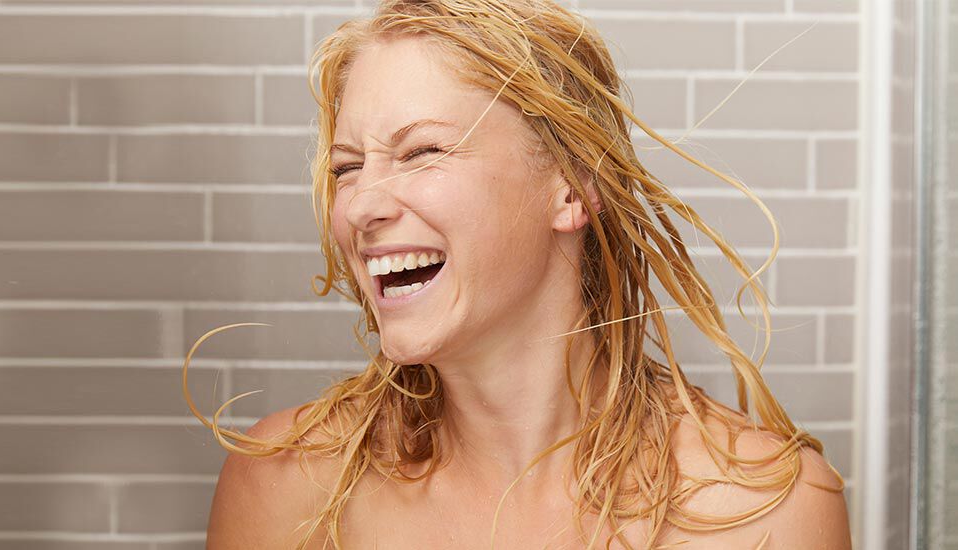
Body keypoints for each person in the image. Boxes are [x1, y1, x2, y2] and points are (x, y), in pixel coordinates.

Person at [192, 0, 850, 548]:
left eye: (420, 152)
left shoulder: (767, 508)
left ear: (571, 186)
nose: (360, 204)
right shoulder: (285, 485)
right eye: (346, 168)